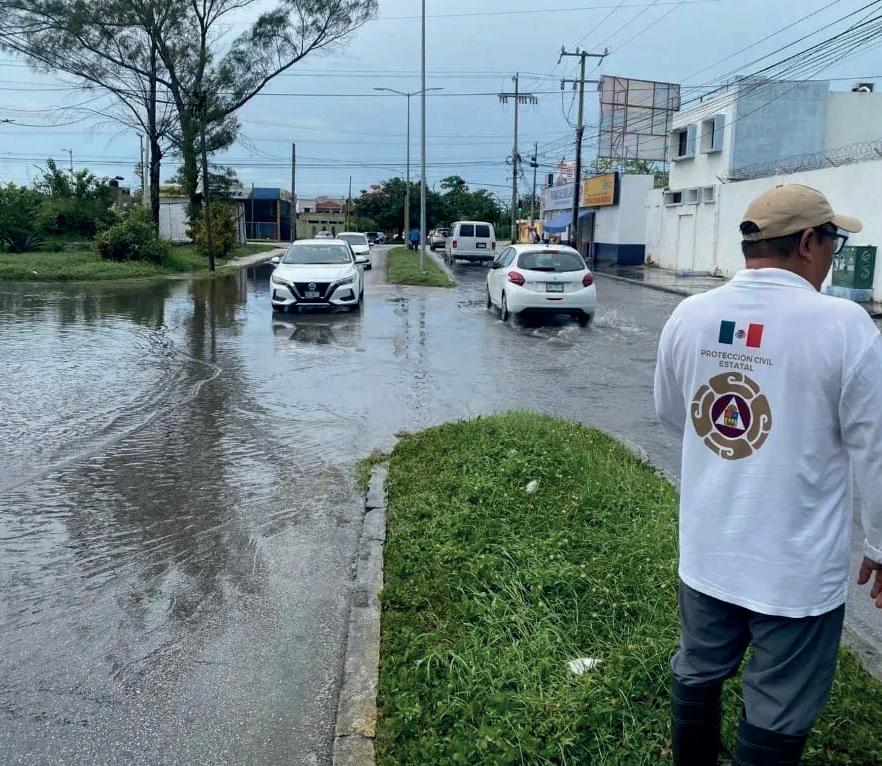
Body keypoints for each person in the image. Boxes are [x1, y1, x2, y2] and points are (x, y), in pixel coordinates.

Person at [654, 184, 882, 765]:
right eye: (833, 241)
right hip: (795, 571)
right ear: (807, 243)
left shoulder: (690, 315)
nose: (831, 256)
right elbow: (876, 450)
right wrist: (880, 547)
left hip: (708, 551)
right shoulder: (845, 326)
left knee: (698, 668)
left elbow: (673, 415)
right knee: (779, 704)